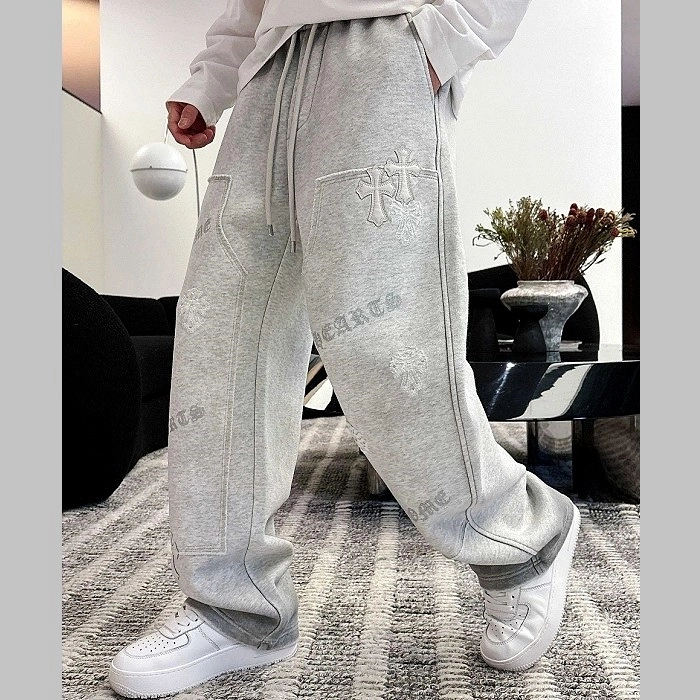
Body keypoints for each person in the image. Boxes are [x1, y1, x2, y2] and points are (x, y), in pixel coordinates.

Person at [109, 1, 580, 697]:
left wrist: (445, 37)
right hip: (269, 69)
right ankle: (236, 606)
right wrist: (213, 75)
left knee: (385, 344)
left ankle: (523, 537)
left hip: (380, 45)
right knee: (221, 342)